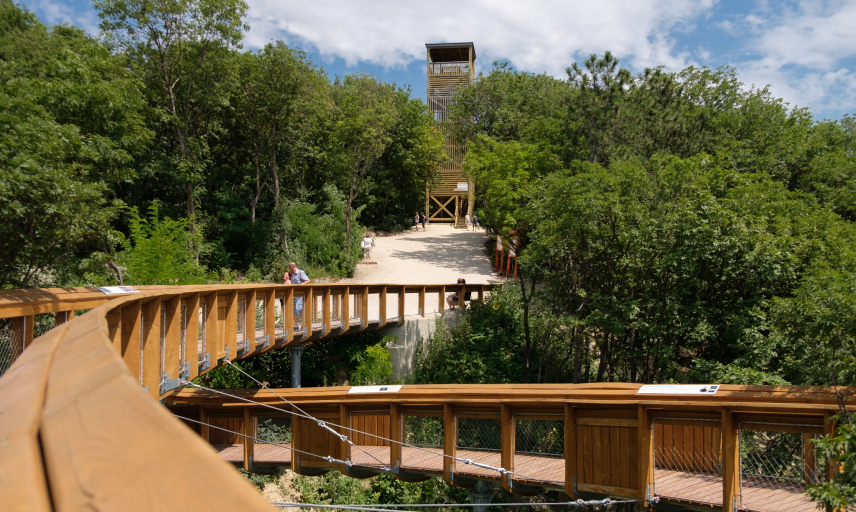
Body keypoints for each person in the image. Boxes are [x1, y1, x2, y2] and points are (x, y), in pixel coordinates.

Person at [289, 262, 310, 330]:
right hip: (294, 294)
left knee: (299, 308)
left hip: (300, 294)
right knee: (294, 310)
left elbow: (307, 281)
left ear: (291, 267)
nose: (290, 269)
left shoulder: (300, 272)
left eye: (289, 268)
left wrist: (301, 285)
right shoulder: (292, 275)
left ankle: (304, 324)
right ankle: (296, 325)